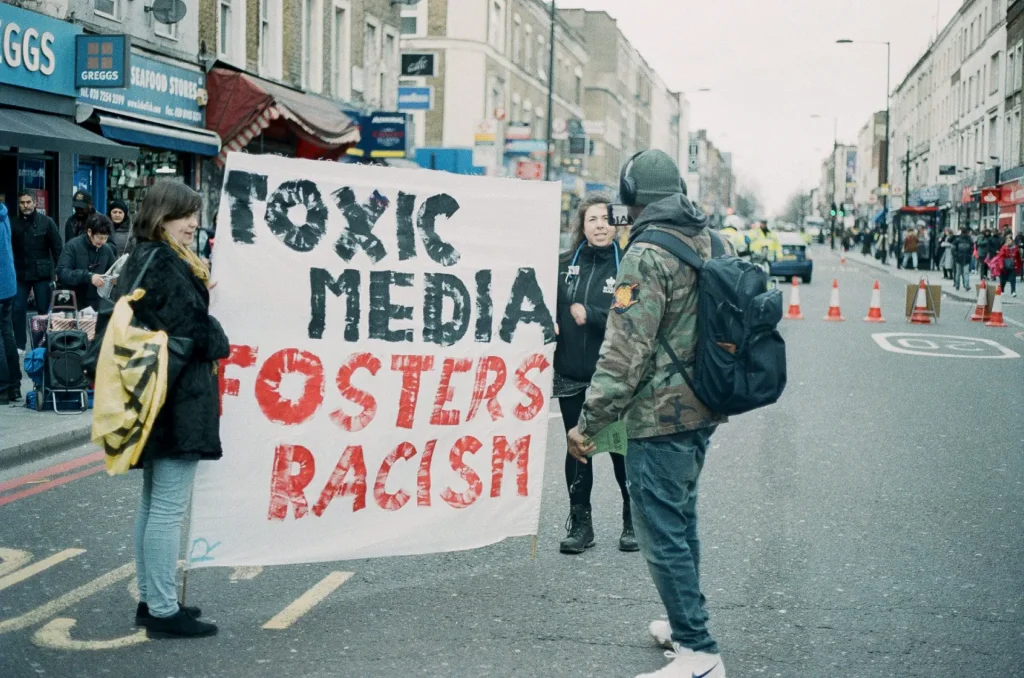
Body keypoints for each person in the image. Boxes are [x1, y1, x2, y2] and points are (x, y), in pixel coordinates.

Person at [568, 150, 728, 678]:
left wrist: (588, 424)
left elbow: (623, 351)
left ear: (632, 196)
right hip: (703, 404)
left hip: (660, 415)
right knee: (681, 522)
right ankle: (686, 628)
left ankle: (700, 653)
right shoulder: (706, 236)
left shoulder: (644, 255)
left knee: (661, 533)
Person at [114, 180, 229, 639]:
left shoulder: (143, 255)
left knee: (152, 503)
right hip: (178, 401)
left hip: (154, 397)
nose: (194, 224)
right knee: (166, 508)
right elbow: (199, 335)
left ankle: (152, 599)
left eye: (196, 215)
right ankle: (163, 610)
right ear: (163, 216)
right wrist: (214, 315)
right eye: (187, 216)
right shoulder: (166, 262)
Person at [554, 194, 635, 555]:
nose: (600, 225)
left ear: (615, 224)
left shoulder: (628, 265)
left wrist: (592, 314)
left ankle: (633, 521)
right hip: (571, 374)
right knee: (578, 449)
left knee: (621, 451)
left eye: (606, 219)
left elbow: (630, 315)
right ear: (581, 226)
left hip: (613, 377)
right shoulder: (561, 266)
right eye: (592, 220)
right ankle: (581, 523)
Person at [11, 190, 61, 353]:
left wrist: (59, 271)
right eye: (22, 203)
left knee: (42, 308)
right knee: (18, 308)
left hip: (42, 273)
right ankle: (20, 344)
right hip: (20, 272)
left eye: (28, 202)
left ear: (34, 203)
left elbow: (57, 248)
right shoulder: (13, 223)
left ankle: (42, 343)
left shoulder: (46, 222)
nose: (25, 206)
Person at [57, 213, 117, 312]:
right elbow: (62, 271)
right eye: (99, 237)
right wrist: (88, 276)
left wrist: (115, 280)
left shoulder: (106, 249)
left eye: (105, 238)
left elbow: (113, 269)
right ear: (89, 232)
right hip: (73, 301)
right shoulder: (73, 246)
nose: (102, 241)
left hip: (96, 303)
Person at [0, 195, 19, 405]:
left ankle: (3, 388)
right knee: (7, 334)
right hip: (8, 285)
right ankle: (14, 385)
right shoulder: (3, 213)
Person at [995, 233, 1020, 297]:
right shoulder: (1004, 248)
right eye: (1007, 240)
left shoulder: (1016, 248)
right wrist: (1001, 265)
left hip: (1012, 266)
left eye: (1009, 240)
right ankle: (1002, 290)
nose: (1008, 242)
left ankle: (1013, 291)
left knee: (1013, 279)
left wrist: (1019, 265)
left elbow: (1018, 257)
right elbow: (1000, 257)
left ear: (1012, 240)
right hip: (1004, 266)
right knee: (1003, 279)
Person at [952, 228, 973, 292]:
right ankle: (966, 286)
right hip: (966, 258)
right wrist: (970, 255)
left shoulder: (957, 240)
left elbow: (953, 249)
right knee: (966, 273)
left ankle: (957, 286)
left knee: (958, 273)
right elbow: (972, 249)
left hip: (959, 258)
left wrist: (955, 255)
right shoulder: (969, 240)